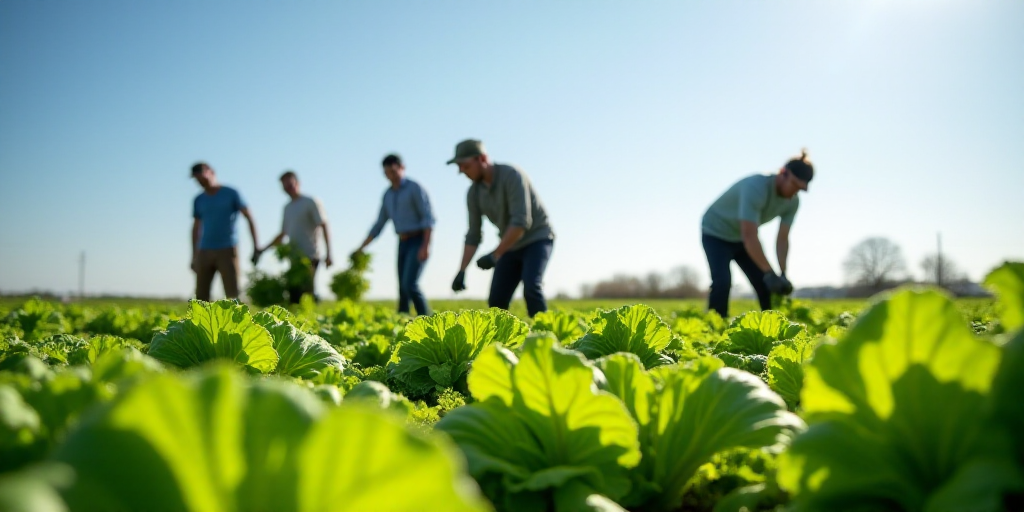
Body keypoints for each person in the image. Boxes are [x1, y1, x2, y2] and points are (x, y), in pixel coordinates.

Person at [700, 149, 814, 317]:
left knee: (765, 284)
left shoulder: (792, 202)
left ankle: (773, 325)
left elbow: (782, 239)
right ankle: (714, 326)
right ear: (783, 173)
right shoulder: (756, 188)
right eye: (794, 185)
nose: (795, 192)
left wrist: (781, 274)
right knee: (722, 281)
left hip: (741, 238)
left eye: (800, 189)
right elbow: (750, 236)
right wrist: (770, 272)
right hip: (716, 232)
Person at [447, 139, 554, 317]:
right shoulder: (473, 194)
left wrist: (495, 255)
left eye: (465, 166)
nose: (461, 171)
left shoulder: (511, 175)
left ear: (481, 158)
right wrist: (462, 271)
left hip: (537, 238)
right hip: (510, 245)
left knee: (531, 288)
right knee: (496, 300)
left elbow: (521, 223)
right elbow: (473, 235)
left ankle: (546, 338)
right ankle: (500, 341)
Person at [354, 154, 435, 316]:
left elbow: (428, 219)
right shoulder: (388, 195)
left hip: (418, 240)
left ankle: (427, 319)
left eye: (393, 171)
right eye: (387, 173)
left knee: (410, 284)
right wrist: (362, 247)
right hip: (402, 242)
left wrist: (425, 246)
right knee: (402, 288)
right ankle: (401, 321)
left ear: (401, 168)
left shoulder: (414, 188)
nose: (391, 176)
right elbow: (379, 224)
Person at [255, 171, 333, 302]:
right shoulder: (287, 208)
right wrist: (262, 250)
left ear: (297, 183)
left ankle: (314, 317)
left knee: (306, 294)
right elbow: (283, 234)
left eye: (290, 184)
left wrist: (329, 253)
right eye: (285, 186)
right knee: (294, 296)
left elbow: (324, 225)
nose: (288, 188)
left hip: (310, 256)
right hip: (294, 258)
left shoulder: (311, 202)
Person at [190, 162, 259, 302]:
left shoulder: (231, 193)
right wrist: (194, 255)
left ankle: (237, 323)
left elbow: (249, 218)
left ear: (211, 172)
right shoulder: (199, 200)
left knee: (233, 295)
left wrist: (256, 246)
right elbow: (196, 228)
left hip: (227, 249)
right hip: (204, 250)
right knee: (201, 297)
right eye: (196, 179)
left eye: (201, 176)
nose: (200, 181)